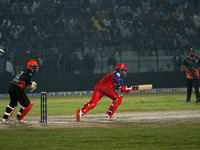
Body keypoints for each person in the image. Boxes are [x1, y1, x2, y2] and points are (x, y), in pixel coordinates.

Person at [1, 59, 39, 123]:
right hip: (17, 88)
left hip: (11, 86)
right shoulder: (29, 71)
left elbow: (23, 79)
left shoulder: (24, 70)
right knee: (27, 104)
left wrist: (28, 84)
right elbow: (27, 81)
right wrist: (30, 85)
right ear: (32, 66)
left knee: (13, 103)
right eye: (35, 67)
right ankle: (18, 119)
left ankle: (4, 118)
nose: (36, 68)